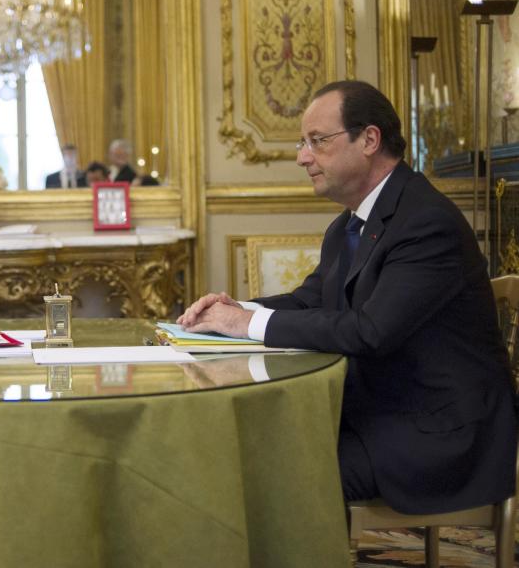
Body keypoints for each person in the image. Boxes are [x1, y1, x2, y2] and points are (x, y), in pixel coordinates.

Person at [178, 80, 517, 515]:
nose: (302, 157)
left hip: (439, 432)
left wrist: (244, 325)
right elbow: (310, 299)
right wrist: (235, 310)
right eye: (304, 143)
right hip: (380, 411)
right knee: (253, 447)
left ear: (369, 140)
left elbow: (372, 331)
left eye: (317, 141)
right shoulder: (349, 224)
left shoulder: (426, 222)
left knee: (281, 473)